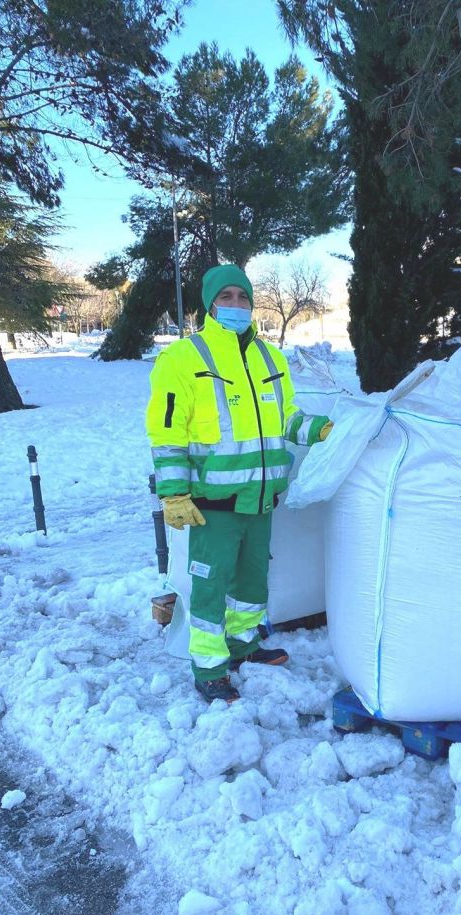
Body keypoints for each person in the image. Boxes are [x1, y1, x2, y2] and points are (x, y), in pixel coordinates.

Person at [146, 264, 333, 703]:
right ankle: (210, 668)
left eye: (242, 297)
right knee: (211, 588)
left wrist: (319, 430)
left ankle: (244, 647)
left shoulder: (270, 357)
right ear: (209, 305)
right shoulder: (182, 359)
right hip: (212, 502)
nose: (235, 304)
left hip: (262, 499)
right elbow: (167, 432)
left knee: (252, 582)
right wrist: (173, 492)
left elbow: (286, 417)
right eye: (225, 296)